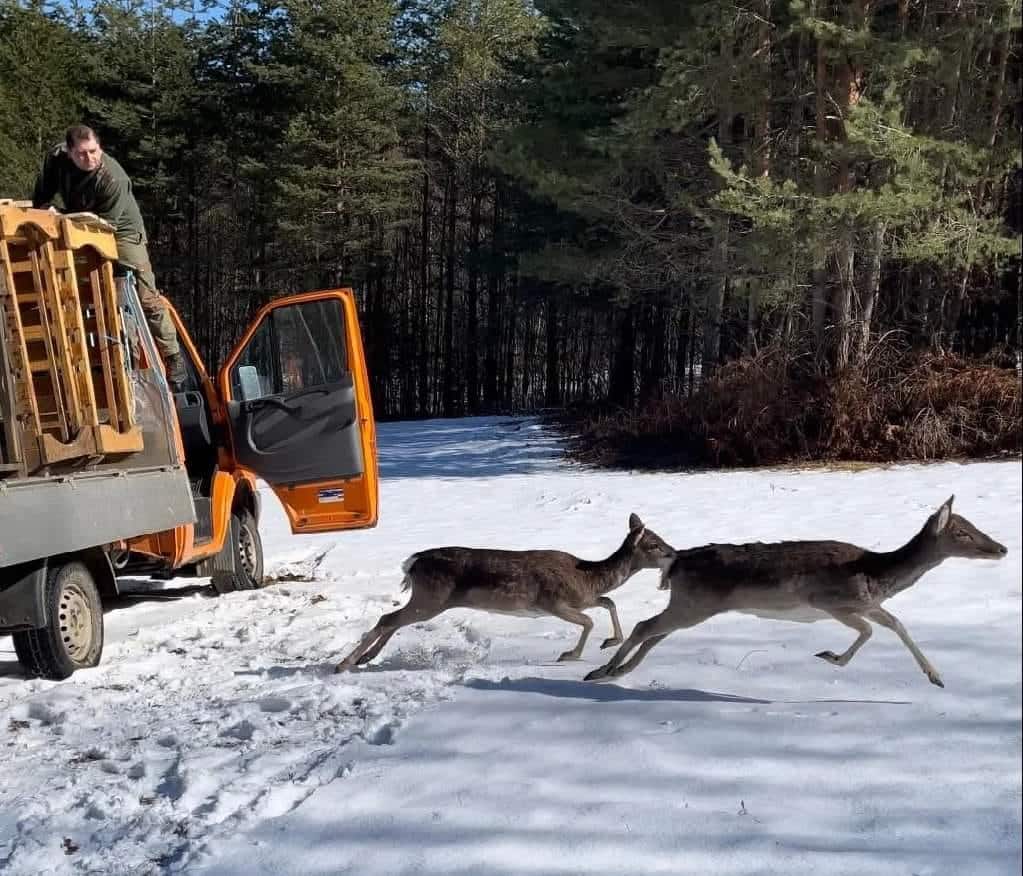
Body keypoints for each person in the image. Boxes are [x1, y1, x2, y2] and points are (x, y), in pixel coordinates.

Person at [31, 124, 186, 390]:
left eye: (93, 151)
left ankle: (174, 357)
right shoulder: (57, 160)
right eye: (82, 154)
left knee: (145, 298)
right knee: (106, 301)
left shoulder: (114, 178)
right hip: (78, 223)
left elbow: (105, 227)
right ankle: (122, 364)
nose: (89, 158)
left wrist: (63, 216)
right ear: (69, 152)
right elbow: (41, 197)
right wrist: (44, 212)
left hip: (120, 231)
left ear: (100, 147)